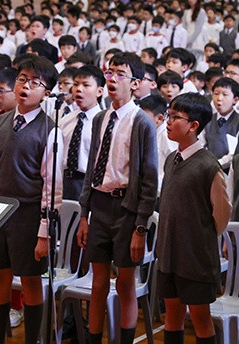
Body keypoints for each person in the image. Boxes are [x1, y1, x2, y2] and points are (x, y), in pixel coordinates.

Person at [0, 56, 62, 344]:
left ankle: (33, 339)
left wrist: (44, 233)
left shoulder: (50, 130)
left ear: (46, 93)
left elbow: (52, 187)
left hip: (28, 215)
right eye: (22, 79)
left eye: (35, 83)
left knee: (30, 280)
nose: (25, 86)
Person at [77, 52, 158, 344]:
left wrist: (140, 227)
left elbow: (149, 179)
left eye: (120, 74)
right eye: (109, 72)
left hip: (126, 209)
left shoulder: (141, 122)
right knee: (97, 283)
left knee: (125, 283)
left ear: (135, 83)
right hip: (99, 205)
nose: (112, 78)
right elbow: (92, 169)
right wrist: (84, 215)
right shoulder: (100, 118)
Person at [157, 93, 231, 344]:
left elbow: (221, 215)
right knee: (172, 315)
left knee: (200, 318)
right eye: (168, 115)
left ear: (193, 125)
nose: (168, 122)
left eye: (175, 117)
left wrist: (198, 235)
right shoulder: (171, 159)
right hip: (169, 251)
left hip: (196, 256)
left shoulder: (208, 165)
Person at [60, 65, 105, 200]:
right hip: (63, 181)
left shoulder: (104, 123)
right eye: (75, 84)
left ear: (99, 91)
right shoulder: (65, 120)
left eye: (86, 85)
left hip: (89, 183)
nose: (79, 89)